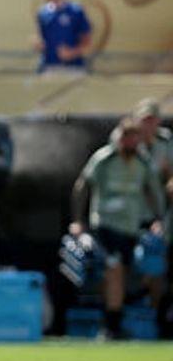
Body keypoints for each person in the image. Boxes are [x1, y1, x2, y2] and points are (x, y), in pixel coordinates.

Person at [72, 117, 165, 339]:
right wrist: (77, 220)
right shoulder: (104, 159)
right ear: (121, 138)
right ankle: (111, 325)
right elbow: (82, 186)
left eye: (136, 138)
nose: (132, 143)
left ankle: (122, 319)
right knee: (114, 270)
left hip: (131, 227)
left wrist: (157, 218)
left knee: (140, 272)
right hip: (105, 225)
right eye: (128, 138)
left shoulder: (142, 162)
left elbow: (152, 190)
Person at [36, 0, 92, 72]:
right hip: (49, 67)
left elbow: (87, 43)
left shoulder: (76, 11)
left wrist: (72, 53)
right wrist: (40, 45)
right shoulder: (43, 12)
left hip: (73, 68)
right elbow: (43, 40)